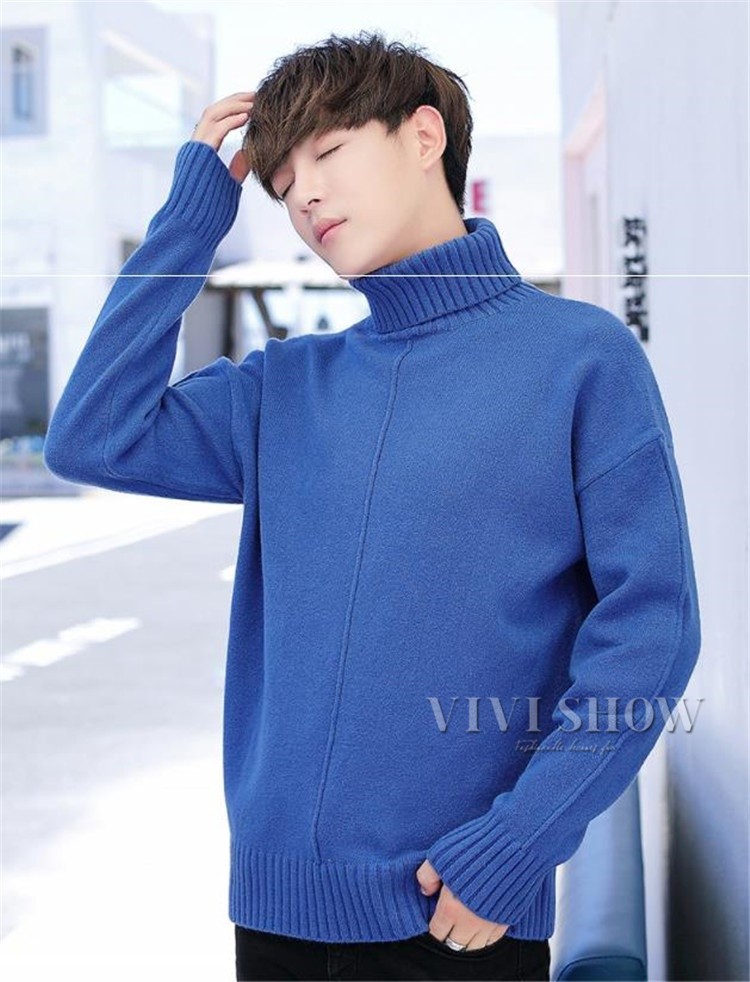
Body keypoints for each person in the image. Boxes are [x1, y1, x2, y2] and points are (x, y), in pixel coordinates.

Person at [43, 29, 701, 982]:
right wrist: (191, 223)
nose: (304, 196)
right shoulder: (284, 388)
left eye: (329, 152)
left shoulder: (580, 359)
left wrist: (517, 846)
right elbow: (92, 435)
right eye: (281, 185)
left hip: (456, 913)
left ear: (424, 137)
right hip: (275, 917)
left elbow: (653, 630)